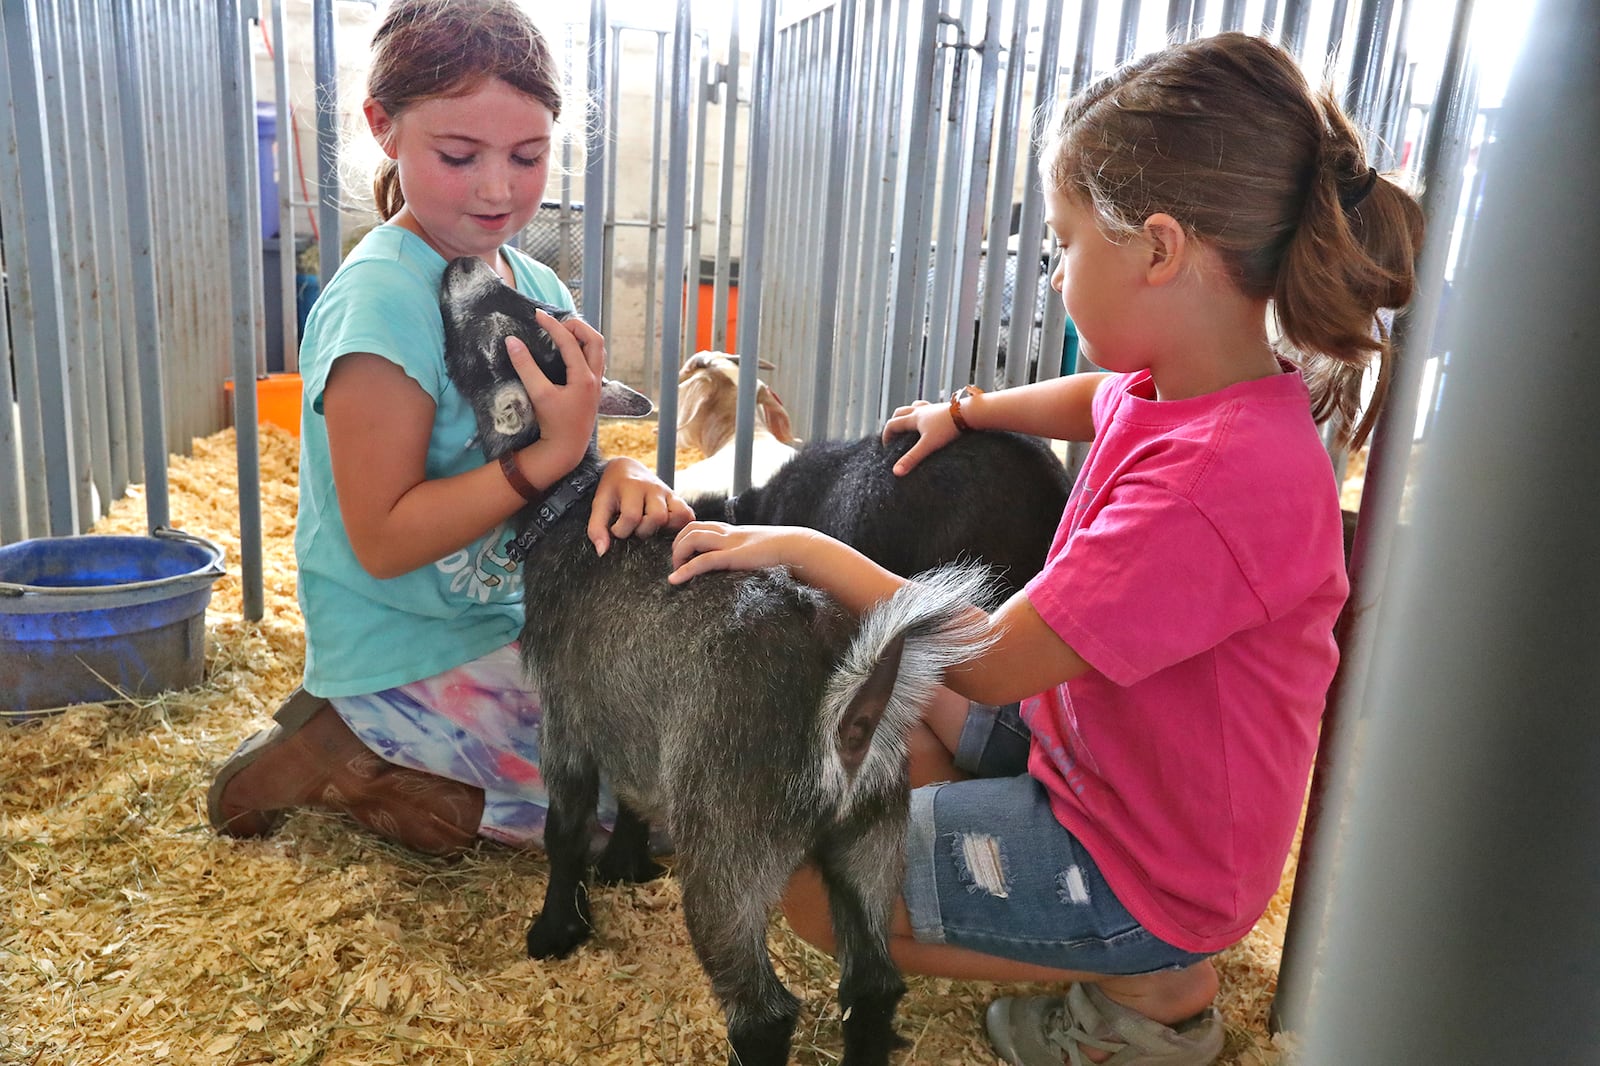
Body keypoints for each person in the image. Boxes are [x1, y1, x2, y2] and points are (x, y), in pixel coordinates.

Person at [668, 32, 1422, 1066]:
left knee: (807, 875)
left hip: (1150, 859)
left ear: (1158, 249)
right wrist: (965, 409)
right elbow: (1094, 398)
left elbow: (984, 660)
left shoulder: (1211, 486)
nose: (1056, 271)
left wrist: (806, 547)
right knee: (873, 728)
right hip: (1101, 755)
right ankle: (1081, 934)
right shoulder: (1198, 386)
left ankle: (1147, 989)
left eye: (1063, 243)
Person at [208, 0, 691, 858]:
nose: (500, 189)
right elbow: (386, 540)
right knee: (640, 830)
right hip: (405, 645)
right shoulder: (380, 302)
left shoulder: (536, 277)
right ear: (384, 129)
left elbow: (568, 455)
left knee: (695, 760)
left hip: (514, 617)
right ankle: (348, 746)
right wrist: (547, 459)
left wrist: (613, 475)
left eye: (529, 155)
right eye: (459, 156)